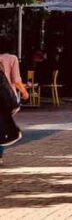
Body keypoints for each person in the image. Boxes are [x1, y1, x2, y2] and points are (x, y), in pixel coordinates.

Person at [0, 37, 29, 166]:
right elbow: (16, 80)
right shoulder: (12, 59)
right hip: (6, 97)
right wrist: (24, 92)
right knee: (3, 126)